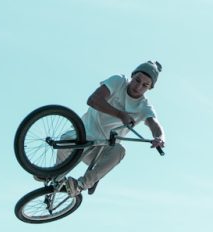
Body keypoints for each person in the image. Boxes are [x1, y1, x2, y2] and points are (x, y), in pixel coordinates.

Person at [62, 61, 166, 196]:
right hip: (82, 137)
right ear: (132, 76)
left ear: (150, 88)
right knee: (63, 141)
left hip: (100, 150)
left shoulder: (144, 107)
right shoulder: (118, 82)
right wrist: (120, 114)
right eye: (137, 80)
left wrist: (160, 137)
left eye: (145, 85)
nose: (138, 86)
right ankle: (52, 176)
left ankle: (81, 185)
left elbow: (155, 124)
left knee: (119, 151)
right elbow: (93, 100)